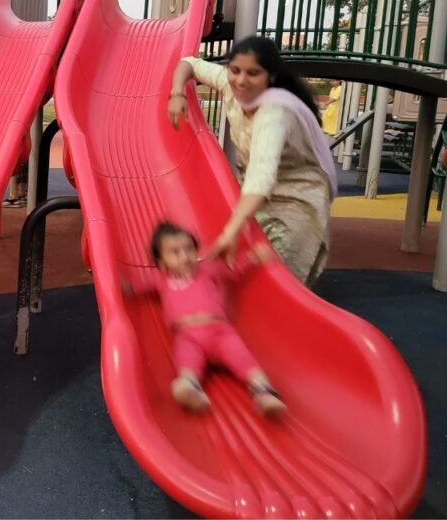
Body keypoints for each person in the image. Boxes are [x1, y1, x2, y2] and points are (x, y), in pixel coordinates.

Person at [167, 36, 337, 286]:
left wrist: (231, 231)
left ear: (270, 77)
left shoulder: (274, 112)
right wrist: (176, 93)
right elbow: (188, 63)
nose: (241, 80)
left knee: (279, 272)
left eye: (253, 73)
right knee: (248, 261)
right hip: (253, 193)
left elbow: (261, 176)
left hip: (297, 196)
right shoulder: (229, 82)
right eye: (235, 70)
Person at [126, 221, 286, 416]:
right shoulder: (160, 280)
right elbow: (135, 288)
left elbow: (233, 271)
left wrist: (253, 257)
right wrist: (120, 285)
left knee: (243, 359)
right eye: (175, 252)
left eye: (189, 249)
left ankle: (264, 391)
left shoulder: (206, 269)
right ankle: (189, 387)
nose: (185, 256)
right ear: (161, 263)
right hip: (186, 336)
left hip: (219, 331)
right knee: (186, 362)